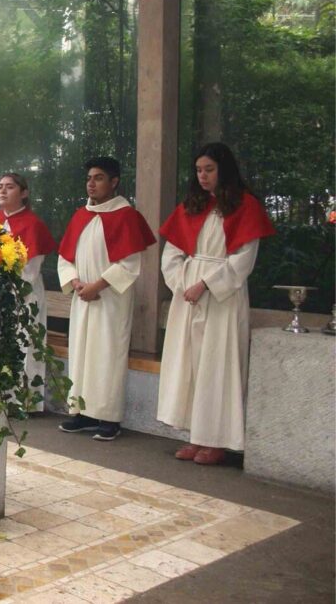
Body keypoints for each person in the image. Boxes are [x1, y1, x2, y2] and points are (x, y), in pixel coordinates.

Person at [157, 143, 274, 465]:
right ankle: (196, 434)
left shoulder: (244, 206)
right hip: (189, 292)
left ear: (224, 169)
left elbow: (244, 258)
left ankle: (217, 440)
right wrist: (183, 284)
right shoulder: (191, 206)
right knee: (191, 364)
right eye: (198, 170)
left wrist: (206, 284)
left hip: (223, 294)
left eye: (209, 169)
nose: (203, 176)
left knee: (216, 363)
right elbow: (171, 253)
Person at [56, 157, 155, 441]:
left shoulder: (126, 216)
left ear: (114, 182)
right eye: (89, 178)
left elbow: (129, 263)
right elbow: (65, 257)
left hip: (110, 299)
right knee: (82, 353)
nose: (91, 183)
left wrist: (98, 285)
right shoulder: (81, 215)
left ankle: (109, 418)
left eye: (99, 178)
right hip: (83, 296)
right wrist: (75, 282)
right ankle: (83, 412)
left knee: (107, 355)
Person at [0, 172, 57, 410]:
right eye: (0, 187)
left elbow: (30, 268)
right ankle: (0, 396)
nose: (2, 191)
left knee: (25, 343)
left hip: (24, 293)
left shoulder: (33, 224)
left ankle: (24, 401)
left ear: (24, 193)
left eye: (9, 187)